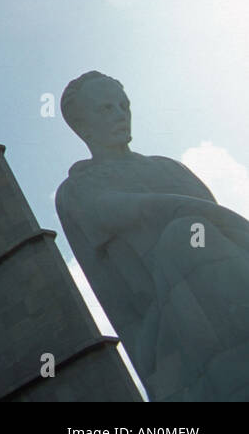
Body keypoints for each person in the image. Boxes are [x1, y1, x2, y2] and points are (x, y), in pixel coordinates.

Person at [55, 71, 249, 400]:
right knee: (184, 235)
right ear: (82, 125)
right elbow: (136, 210)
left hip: (227, 291)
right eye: (106, 109)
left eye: (123, 105)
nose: (120, 114)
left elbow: (223, 236)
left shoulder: (170, 168)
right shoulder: (78, 189)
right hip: (167, 322)